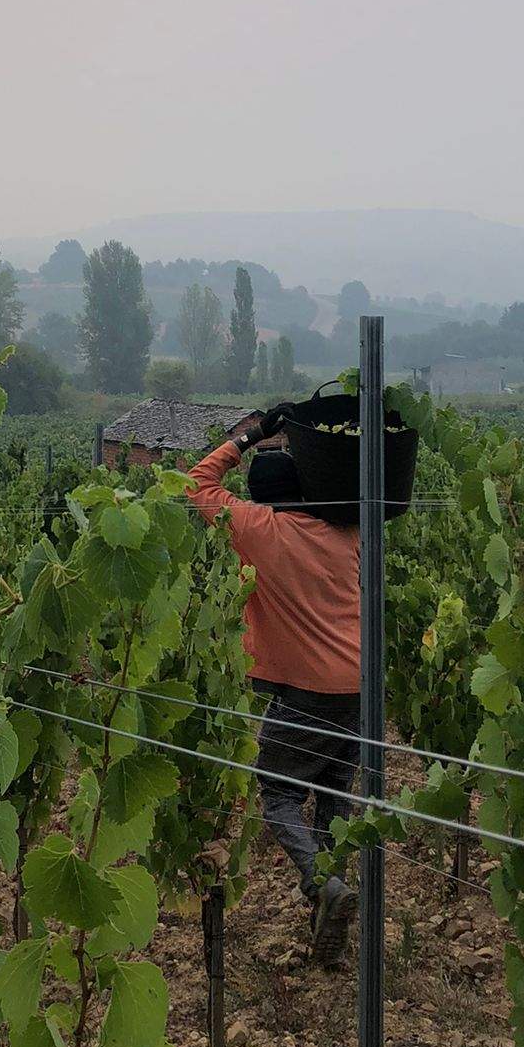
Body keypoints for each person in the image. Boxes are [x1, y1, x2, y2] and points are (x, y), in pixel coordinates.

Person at [186, 407, 361, 966]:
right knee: (333, 799)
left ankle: (322, 886)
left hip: (305, 687)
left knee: (279, 792)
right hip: (360, 686)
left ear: (262, 497)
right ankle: (329, 931)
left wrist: (249, 436)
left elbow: (196, 484)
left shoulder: (258, 528)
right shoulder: (345, 531)